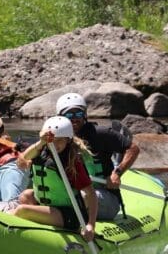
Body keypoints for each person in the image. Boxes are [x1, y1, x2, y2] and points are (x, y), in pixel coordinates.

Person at [8, 116, 97, 242]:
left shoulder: (71, 162)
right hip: (47, 206)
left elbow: (91, 194)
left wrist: (91, 225)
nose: (55, 144)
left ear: (68, 140)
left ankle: (4, 221)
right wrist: (41, 142)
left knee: (23, 210)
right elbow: (22, 160)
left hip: (68, 214)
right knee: (26, 195)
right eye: (52, 140)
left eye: (60, 140)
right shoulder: (42, 150)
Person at [55, 92, 140, 220]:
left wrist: (117, 173)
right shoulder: (57, 138)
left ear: (84, 115)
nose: (74, 119)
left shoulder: (100, 134)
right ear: (60, 117)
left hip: (105, 198)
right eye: (68, 115)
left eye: (78, 114)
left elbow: (133, 148)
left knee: (82, 196)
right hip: (73, 193)